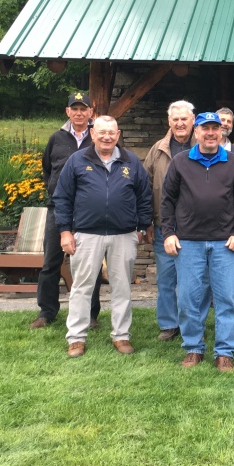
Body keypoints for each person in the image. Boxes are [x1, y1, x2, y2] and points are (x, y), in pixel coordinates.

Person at [55, 116, 152, 358]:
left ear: (118, 135)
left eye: (111, 133)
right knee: (81, 288)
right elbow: (63, 197)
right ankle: (76, 338)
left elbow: (145, 196)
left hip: (124, 235)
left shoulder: (131, 162)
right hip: (86, 234)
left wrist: (141, 227)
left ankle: (121, 335)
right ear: (93, 134)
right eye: (102, 132)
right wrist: (65, 231)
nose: (107, 137)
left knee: (122, 288)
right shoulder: (77, 160)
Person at [161, 112, 234, 371]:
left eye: (215, 128)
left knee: (226, 299)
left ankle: (224, 351)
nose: (211, 133)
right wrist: (168, 233)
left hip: (224, 243)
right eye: (205, 128)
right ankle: (193, 347)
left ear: (221, 132)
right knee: (188, 298)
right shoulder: (180, 162)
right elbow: (167, 201)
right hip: (188, 242)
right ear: (196, 132)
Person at [29, 92, 103, 329]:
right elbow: (47, 170)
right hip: (59, 209)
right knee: (51, 262)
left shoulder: (99, 137)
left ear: (91, 112)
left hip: (89, 211)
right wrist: (56, 191)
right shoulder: (56, 138)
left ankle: (90, 315)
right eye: (75, 109)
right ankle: (46, 312)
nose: (79, 113)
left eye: (84, 109)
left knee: (90, 264)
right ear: (67, 112)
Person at [143, 100, 195, 342]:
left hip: (195, 227)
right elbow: (145, 187)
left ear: (193, 120)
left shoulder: (202, 146)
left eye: (184, 119)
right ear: (169, 122)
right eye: (176, 119)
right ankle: (168, 324)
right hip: (164, 225)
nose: (180, 123)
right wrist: (147, 222)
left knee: (193, 280)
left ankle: (192, 323)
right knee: (166, 278)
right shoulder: (158, 150)